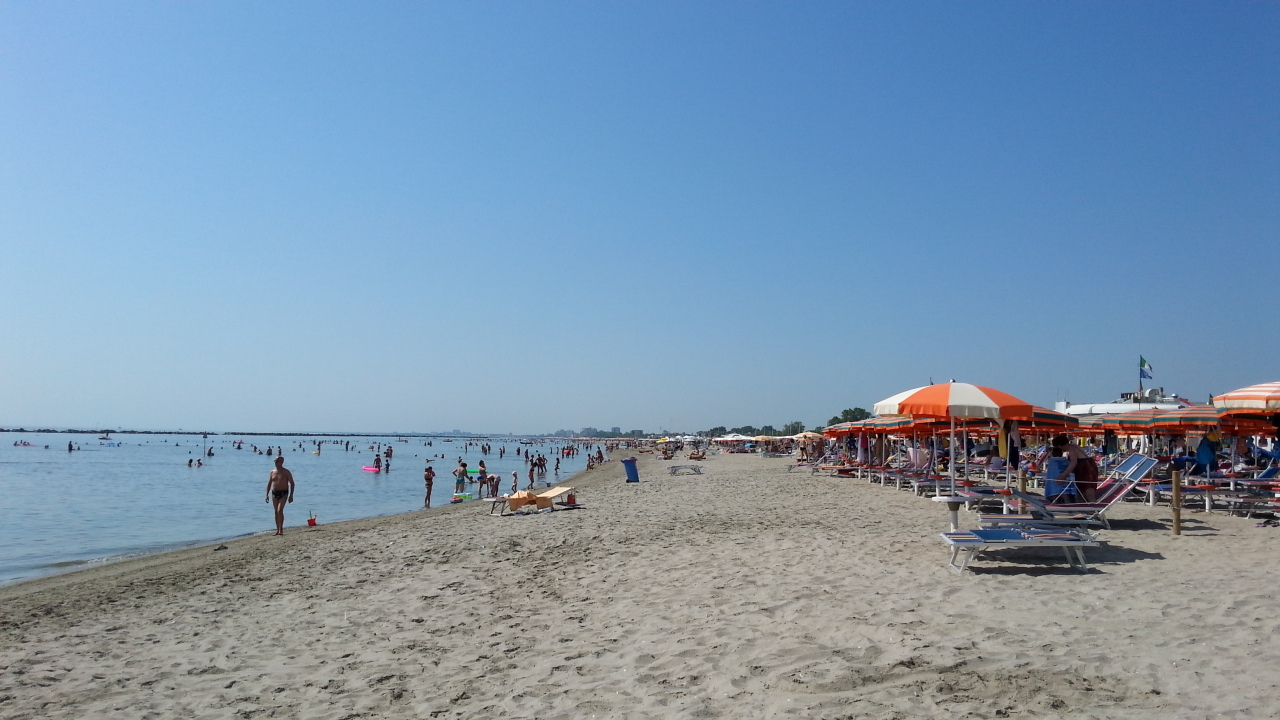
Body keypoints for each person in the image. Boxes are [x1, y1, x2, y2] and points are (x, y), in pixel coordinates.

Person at [1053, 434, 1098, 502]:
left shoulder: (1071, 448)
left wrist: (1063, 475)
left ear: (1060, 446)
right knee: (1082, 491)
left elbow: (1073, 462)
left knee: (1088, 491)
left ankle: (1095, 509)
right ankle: (1086, 509)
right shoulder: (1074, 446)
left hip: (1086, 469)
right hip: (1086, 468)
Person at [265, 456, 295, 536]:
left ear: (281, 462)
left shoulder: (286, 472)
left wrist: (291, 495)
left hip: (284, 493)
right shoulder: (272, 472)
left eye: (277, 461)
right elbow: (269, 483)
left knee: (279, 510)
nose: (275, 462)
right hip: (274, 493)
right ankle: (277, 530)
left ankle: (281, 529)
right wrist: (266, 495)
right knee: (276, 512)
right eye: (275, 461)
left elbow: (292, 483)